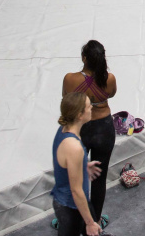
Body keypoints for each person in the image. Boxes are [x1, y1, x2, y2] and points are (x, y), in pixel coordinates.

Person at [62, 41, 116, 227]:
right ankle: (95, 221)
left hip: (80, 129)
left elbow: (66, 99)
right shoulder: (109, 79)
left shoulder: (70, 79)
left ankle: (72, 222)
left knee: (76, 178)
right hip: (104, 129)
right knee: (99, 179)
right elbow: (111, 94)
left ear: (84, 58)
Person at [51, 92, 102, 236]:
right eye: (88, 106)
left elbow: (64, 161)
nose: (91, 107)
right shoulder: (74, 147)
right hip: (71, 206)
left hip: (72, 202)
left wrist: (82, 165)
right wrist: (89, 223)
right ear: (80, 115)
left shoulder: (64, 130)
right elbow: (76, 191)